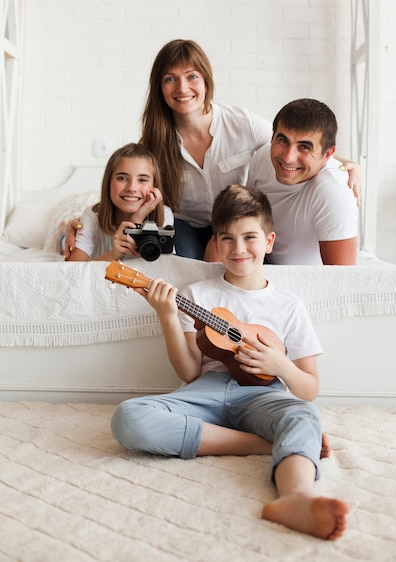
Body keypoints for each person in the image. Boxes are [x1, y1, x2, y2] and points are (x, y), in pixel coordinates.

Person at [110, 184, 350, 540]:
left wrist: (279, 364)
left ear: (269, 241)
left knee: (304, 415)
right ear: (216, 244)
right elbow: (190, 372)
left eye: (249, 237)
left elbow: (309, 389)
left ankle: (297, 497)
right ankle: (263, 444)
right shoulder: (199, 295)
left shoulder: (289, 305)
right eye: (227, 239)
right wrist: (167, 316)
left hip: (263, 394)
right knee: (127, 418)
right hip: (205, 391)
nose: (239, 249)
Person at [63, 40, 360, 261]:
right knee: (186, 271)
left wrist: (345, 163)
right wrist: (78, 222)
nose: (182, 87)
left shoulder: (242, 123)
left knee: (247, 268)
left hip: (236, 221)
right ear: (159, 87)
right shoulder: (154, 141)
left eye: (192, 76)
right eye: (170, 79)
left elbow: (290, 144)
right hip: (187, 225)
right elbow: (129, 186)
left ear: (205, 80)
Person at [246, 98, 358, 265]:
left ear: (327, 154)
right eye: (282, 140)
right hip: (264, 263)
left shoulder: (333, 192)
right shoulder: (264, 156)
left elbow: (342, 280)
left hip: (306, 281)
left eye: (304, 146)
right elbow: (245, 219)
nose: (288, 158)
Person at [67, 143, 173, 262]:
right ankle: (61, 232)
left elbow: (161, 268)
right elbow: (73, 270)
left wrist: (136, 220)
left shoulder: (164, 214)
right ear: (108, 182)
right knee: (66, 241)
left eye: (142, 180)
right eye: (122, 178)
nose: (132, 188)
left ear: (154, 185)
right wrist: (113, 255)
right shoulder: (92, 216)